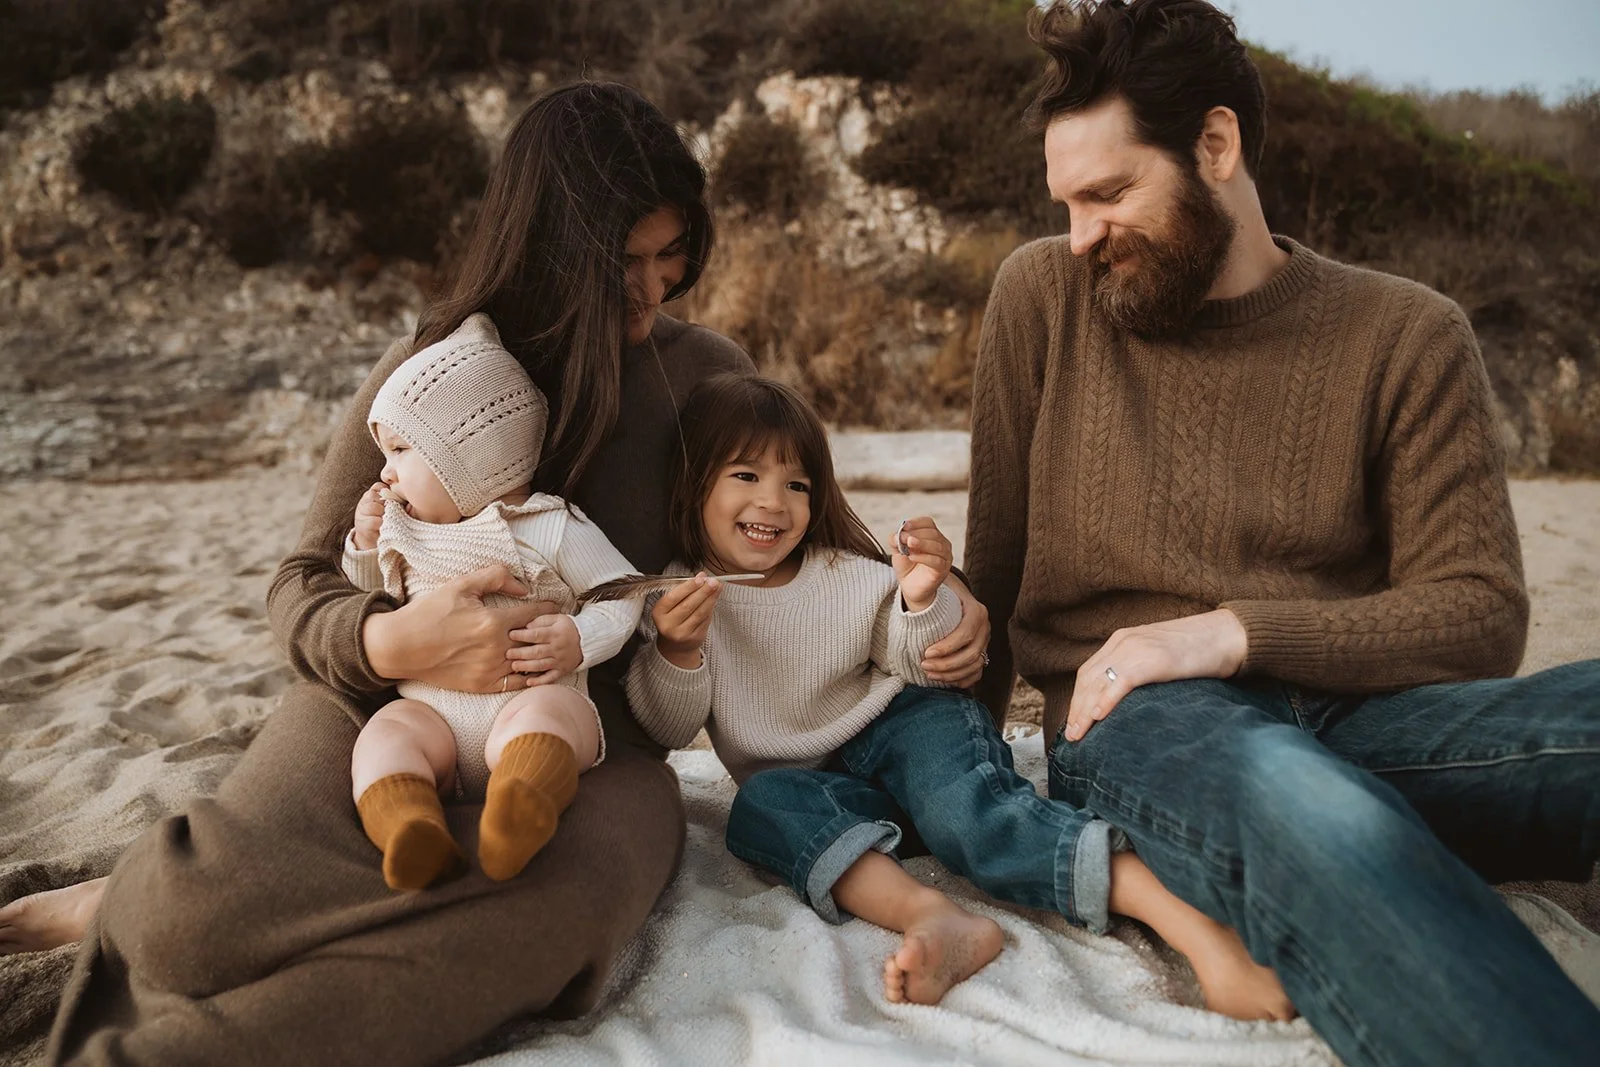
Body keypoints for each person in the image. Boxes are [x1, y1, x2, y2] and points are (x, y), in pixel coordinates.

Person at [16, 82, 987, 1066]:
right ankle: (141, 891)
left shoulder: (703, 375)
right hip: (384, 702)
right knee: (183, 924)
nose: (653, 293)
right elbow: (303, 579)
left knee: (544, 928)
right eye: (622, 266)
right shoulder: (428, 371)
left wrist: (943, 606)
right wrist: (386, 637)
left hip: (597, 741)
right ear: (545, 253)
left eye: (671, 257)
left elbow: (832, 555)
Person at [965, 3, 1600, 1065]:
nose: (1079, 234)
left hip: (1370, 719)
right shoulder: (1041, 296)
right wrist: (963, 794)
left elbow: (1479, 614)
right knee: (1315, 810)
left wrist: (1227, 631)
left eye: (1109, 193)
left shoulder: (1406, 332)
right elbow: (990, 575)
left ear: (1215, 146)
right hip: (1140, 724)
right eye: (1065, 202)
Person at [626, 373, 1294, 1017]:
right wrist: (678, 652)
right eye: (747, 475)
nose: (775, 502)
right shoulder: (676, 595)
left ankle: (1183, 918)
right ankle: (933, 916)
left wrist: (920, 600)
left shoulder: (840, 573)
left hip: (908, 727)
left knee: (965, 811)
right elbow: (668, 723)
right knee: (761, 809)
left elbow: (923, 659)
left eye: (796, 483)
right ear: (694, 483)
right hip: (828, 786)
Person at [341, 314, 642, 889]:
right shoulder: (402, 531)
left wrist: (579, 640)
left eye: (402, 449)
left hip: (527, 700)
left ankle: (520, 810)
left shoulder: (549, 527)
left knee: (556, 718)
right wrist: (364, 545)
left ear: (469, 458)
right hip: (432, 715)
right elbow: (372, 604)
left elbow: (624, 595)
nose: (385, 470)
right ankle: (408, 826)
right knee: (385, 734)